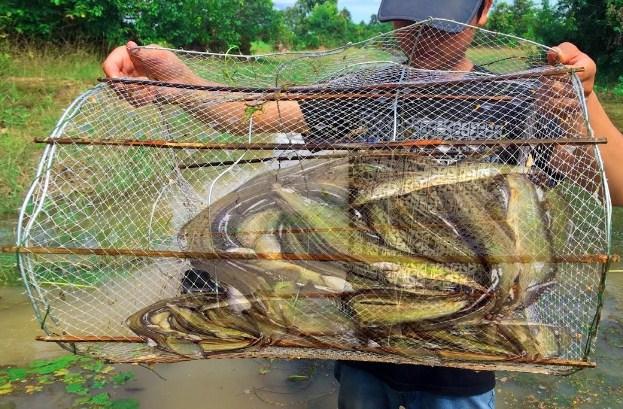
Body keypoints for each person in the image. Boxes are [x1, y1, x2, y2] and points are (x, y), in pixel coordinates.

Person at [102, 1, 623, 408]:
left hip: (465, 349)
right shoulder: (364, 90)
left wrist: (584, 102)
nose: (423, 32)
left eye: (443, 21)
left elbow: (614, 188)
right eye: (409, 18)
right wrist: (174, 80)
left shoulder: (520, 99)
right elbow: (248, 115)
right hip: (361, 340)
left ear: (483, 10)